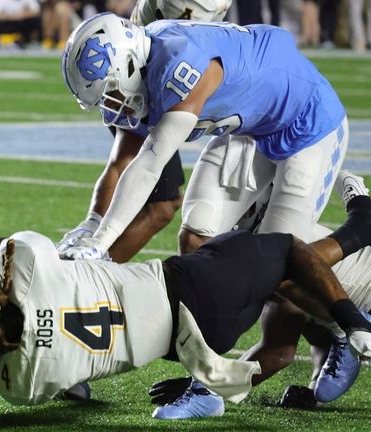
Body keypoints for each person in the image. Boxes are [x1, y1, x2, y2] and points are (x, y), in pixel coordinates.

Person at [0, 195, 371, 406]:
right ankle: (353, 317)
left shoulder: (21, 383)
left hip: (190, 348)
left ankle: (211, 388)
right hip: (195, 285)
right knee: (285, 249)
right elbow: (1, 245)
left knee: (277, 310)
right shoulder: (29, 271)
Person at [60, 12, 349, 262]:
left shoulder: (180, 64)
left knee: (280, 262)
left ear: (130, 64)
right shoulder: (142, 71)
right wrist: (92, 223)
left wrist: (101, 243)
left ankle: (356, 297)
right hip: (249, 127)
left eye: (110, 93)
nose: (111, 104)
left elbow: (149, 165)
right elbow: (120, 163)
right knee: (197, 235)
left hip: (307, 122)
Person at [149, 172, 371, 419]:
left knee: (287, 282)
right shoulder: (274, 244)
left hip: (362, 295)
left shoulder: (279, 251)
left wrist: (210, 384)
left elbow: (279, 349)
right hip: (352, 301)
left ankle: (344, 327)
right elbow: (284, 345)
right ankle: (344, 328)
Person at [57, 0, 231, 264]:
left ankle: (90, 266)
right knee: (159, 201)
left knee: (166, 203)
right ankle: (89, 267)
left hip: (168, 64)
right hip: (137, 70)